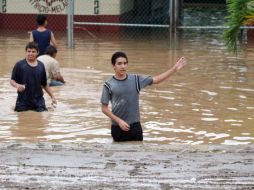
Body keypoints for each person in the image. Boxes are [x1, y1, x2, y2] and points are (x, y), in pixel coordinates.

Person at [101, 51, 186, 142]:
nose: (123, 66)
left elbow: (156, 80)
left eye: (125, 63)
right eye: (119, 64)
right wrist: (119, 121)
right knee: (118, 154)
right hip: (117, 127)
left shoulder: (136, 80)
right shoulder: (108, 85)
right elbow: (104, 109)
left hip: (135, 127)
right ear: (113, 65)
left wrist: (174, 69)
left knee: (138, 153)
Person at [10, 42, 57, 112]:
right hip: (23, 101)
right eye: (29, 51)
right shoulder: (19, 65)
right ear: (25, 52)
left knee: (41, 119)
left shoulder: (41, 65)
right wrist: (17, 86)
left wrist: (52, 96)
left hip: (38, 101)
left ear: (37, 53)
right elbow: (12, 80)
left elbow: (44, 84)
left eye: (33, 52)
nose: (31, 53)